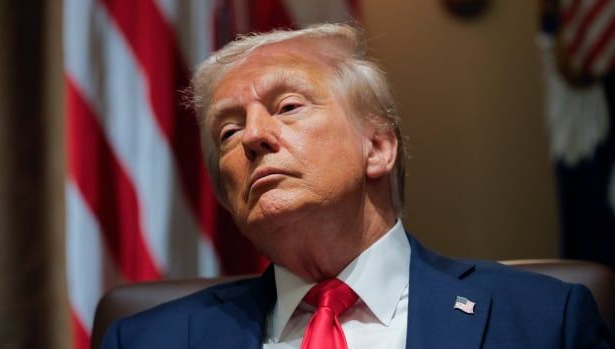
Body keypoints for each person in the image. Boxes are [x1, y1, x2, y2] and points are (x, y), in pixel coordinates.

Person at [101, 24, 613, 348]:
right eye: (228, 131)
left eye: (287, 107)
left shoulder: (543, 322)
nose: (252, 137)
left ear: (378, 148)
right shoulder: (146, 339)